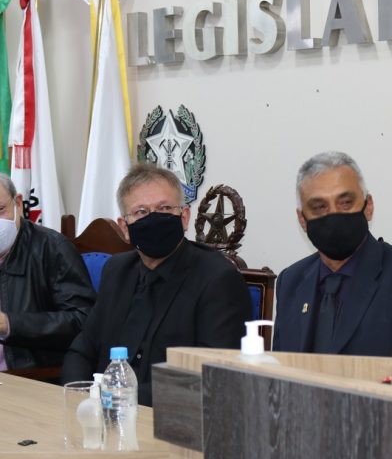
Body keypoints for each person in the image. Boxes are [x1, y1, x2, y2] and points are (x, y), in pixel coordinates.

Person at [62, 163, 252, 405]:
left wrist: (116, 397)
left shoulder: (218, 279)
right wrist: (79, 395)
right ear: (125, 227)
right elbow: (82, 350)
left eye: (164, 208)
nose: (153, 219)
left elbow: (213, 377)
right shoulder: (116, 271)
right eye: (141, 212)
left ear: (184, 217)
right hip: (103, 412)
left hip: (171, 416)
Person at [272, 151, 392, 356]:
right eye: (320, 207)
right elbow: (279, 368)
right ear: (302, 220)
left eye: (346, 203)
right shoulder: (291, 281)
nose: (334, 214)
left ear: (369, 207)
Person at [0, 173, 95, 371]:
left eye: (0, 210)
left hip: (30, 375)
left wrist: (9, 324)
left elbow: (83, 320)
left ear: (18, 203)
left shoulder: (52, 248)